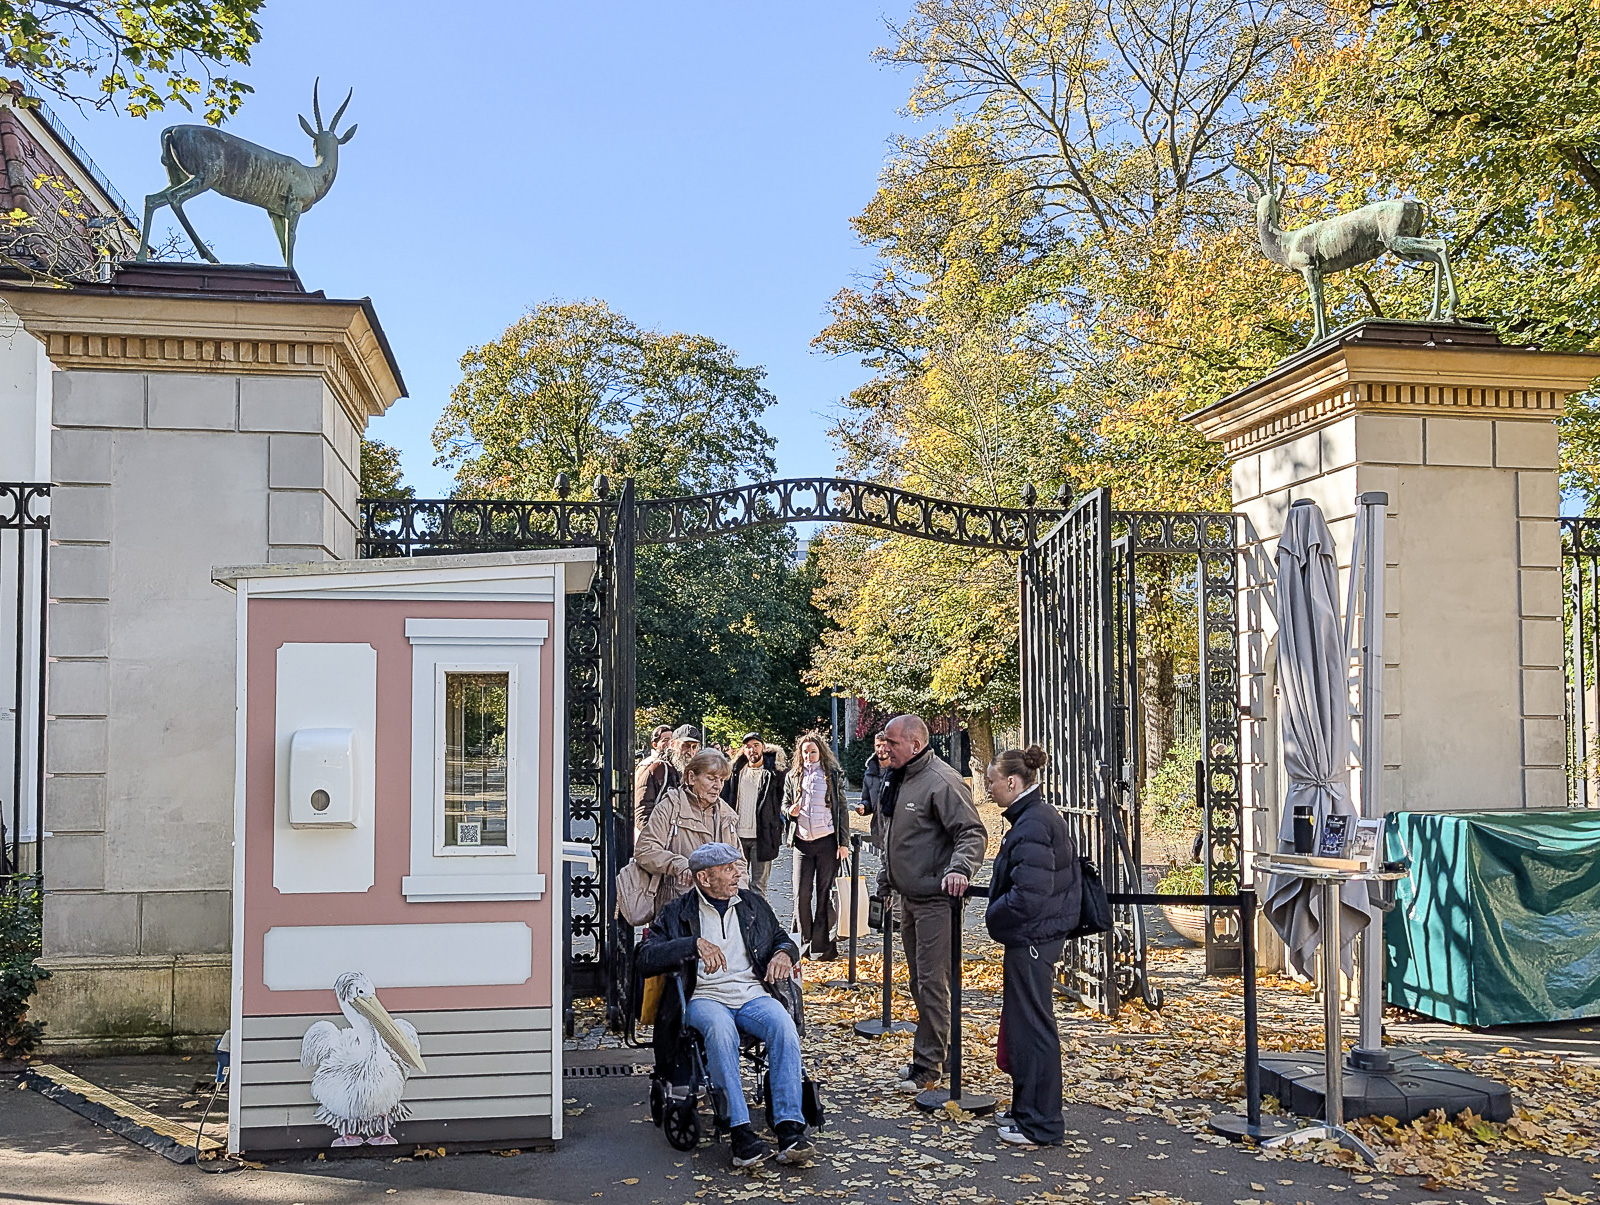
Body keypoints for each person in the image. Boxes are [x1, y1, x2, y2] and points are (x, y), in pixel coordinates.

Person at [636, 842, 813, 1168]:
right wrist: (693, 944)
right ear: (704, 877)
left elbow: (781, 938)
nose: (738, 873)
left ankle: (790, 1129)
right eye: (729, 868)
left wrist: (785, 953)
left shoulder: (752, 905)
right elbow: (646, 957)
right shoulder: (678, 913)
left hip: (751, 995)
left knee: (783, 1025)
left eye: (737, 866)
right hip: (704, 998)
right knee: (721, 1032)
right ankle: (740, 1130)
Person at [876, 713, 987, 1093]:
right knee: (919, 981)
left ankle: (928, 1065)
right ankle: (943, 1051)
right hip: (909, 896)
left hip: (937, 902)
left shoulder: (941, 781)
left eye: (892, 742)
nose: (884, 748)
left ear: (916, 744)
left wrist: (960, 869)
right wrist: (885, 883)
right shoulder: (900, 776)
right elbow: (892, 836)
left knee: (932, 982)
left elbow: (972, 833)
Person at [984, 746, 1079, 1146]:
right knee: (1024, 1026)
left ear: (1012, 782)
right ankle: (1027, 1112)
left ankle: (1040, 1122)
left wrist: (994, 916)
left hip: (1035, 937)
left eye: (991, 781)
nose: (987, 788)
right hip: (1034, 935)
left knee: (1035, 1027)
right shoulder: (1031, 818)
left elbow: (1030, 895)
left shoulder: (1034, 823)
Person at [634, 747, 741, 912]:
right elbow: (645, 850)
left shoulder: (726, 814)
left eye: (721, 780)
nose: (717, 786)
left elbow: (739, 861)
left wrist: (743, 896)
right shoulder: (670, 806)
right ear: (692, 777)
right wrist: (677, 863)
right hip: (678, 905)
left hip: (720, 907)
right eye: (711, 778)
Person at [782, 732, 852, 961]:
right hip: (802, 842)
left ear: (820, 752)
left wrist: (843, 843)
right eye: (805, 752)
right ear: (800, 755)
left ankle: (822, 946)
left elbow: (841, 809)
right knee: (801, 894)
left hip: (826, 841)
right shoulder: (793, 776)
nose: (809, 756)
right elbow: (783, 804)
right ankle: (803, 941)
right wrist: (788, 811)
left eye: (813, 752)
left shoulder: (831, 774)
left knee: (823, 895)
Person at [722, 733, 783, 896]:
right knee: (737, 884)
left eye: (756, 745)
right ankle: (740, 920)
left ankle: (758, 921)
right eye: (748, 746)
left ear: (763, 747)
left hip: (763, 837)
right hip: (737, 838)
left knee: (758, 887)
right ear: (743, 750)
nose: (752, 750)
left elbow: (784, 800)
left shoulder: (775, 773)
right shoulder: (734, 772)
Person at [638, 724, 702, 827]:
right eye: (685, 745)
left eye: (694, 747)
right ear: (672, 744)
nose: (690, 751)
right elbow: (643, 814)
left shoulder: (695, 775)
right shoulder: (658, 769)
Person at [857, 730, 892, 848]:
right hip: (877, 830)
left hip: (896, 830)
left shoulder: (899, 771)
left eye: (884, 745)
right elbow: (866, 799)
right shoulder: (869, 773)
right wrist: (863, 807)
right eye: (878, 746)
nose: (881, 749)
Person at [633, 725, 675, 822]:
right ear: (655, 745)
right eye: (665, 740)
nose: (669, 743)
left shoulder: (674, 764)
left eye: (672, 740)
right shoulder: (647, 765)